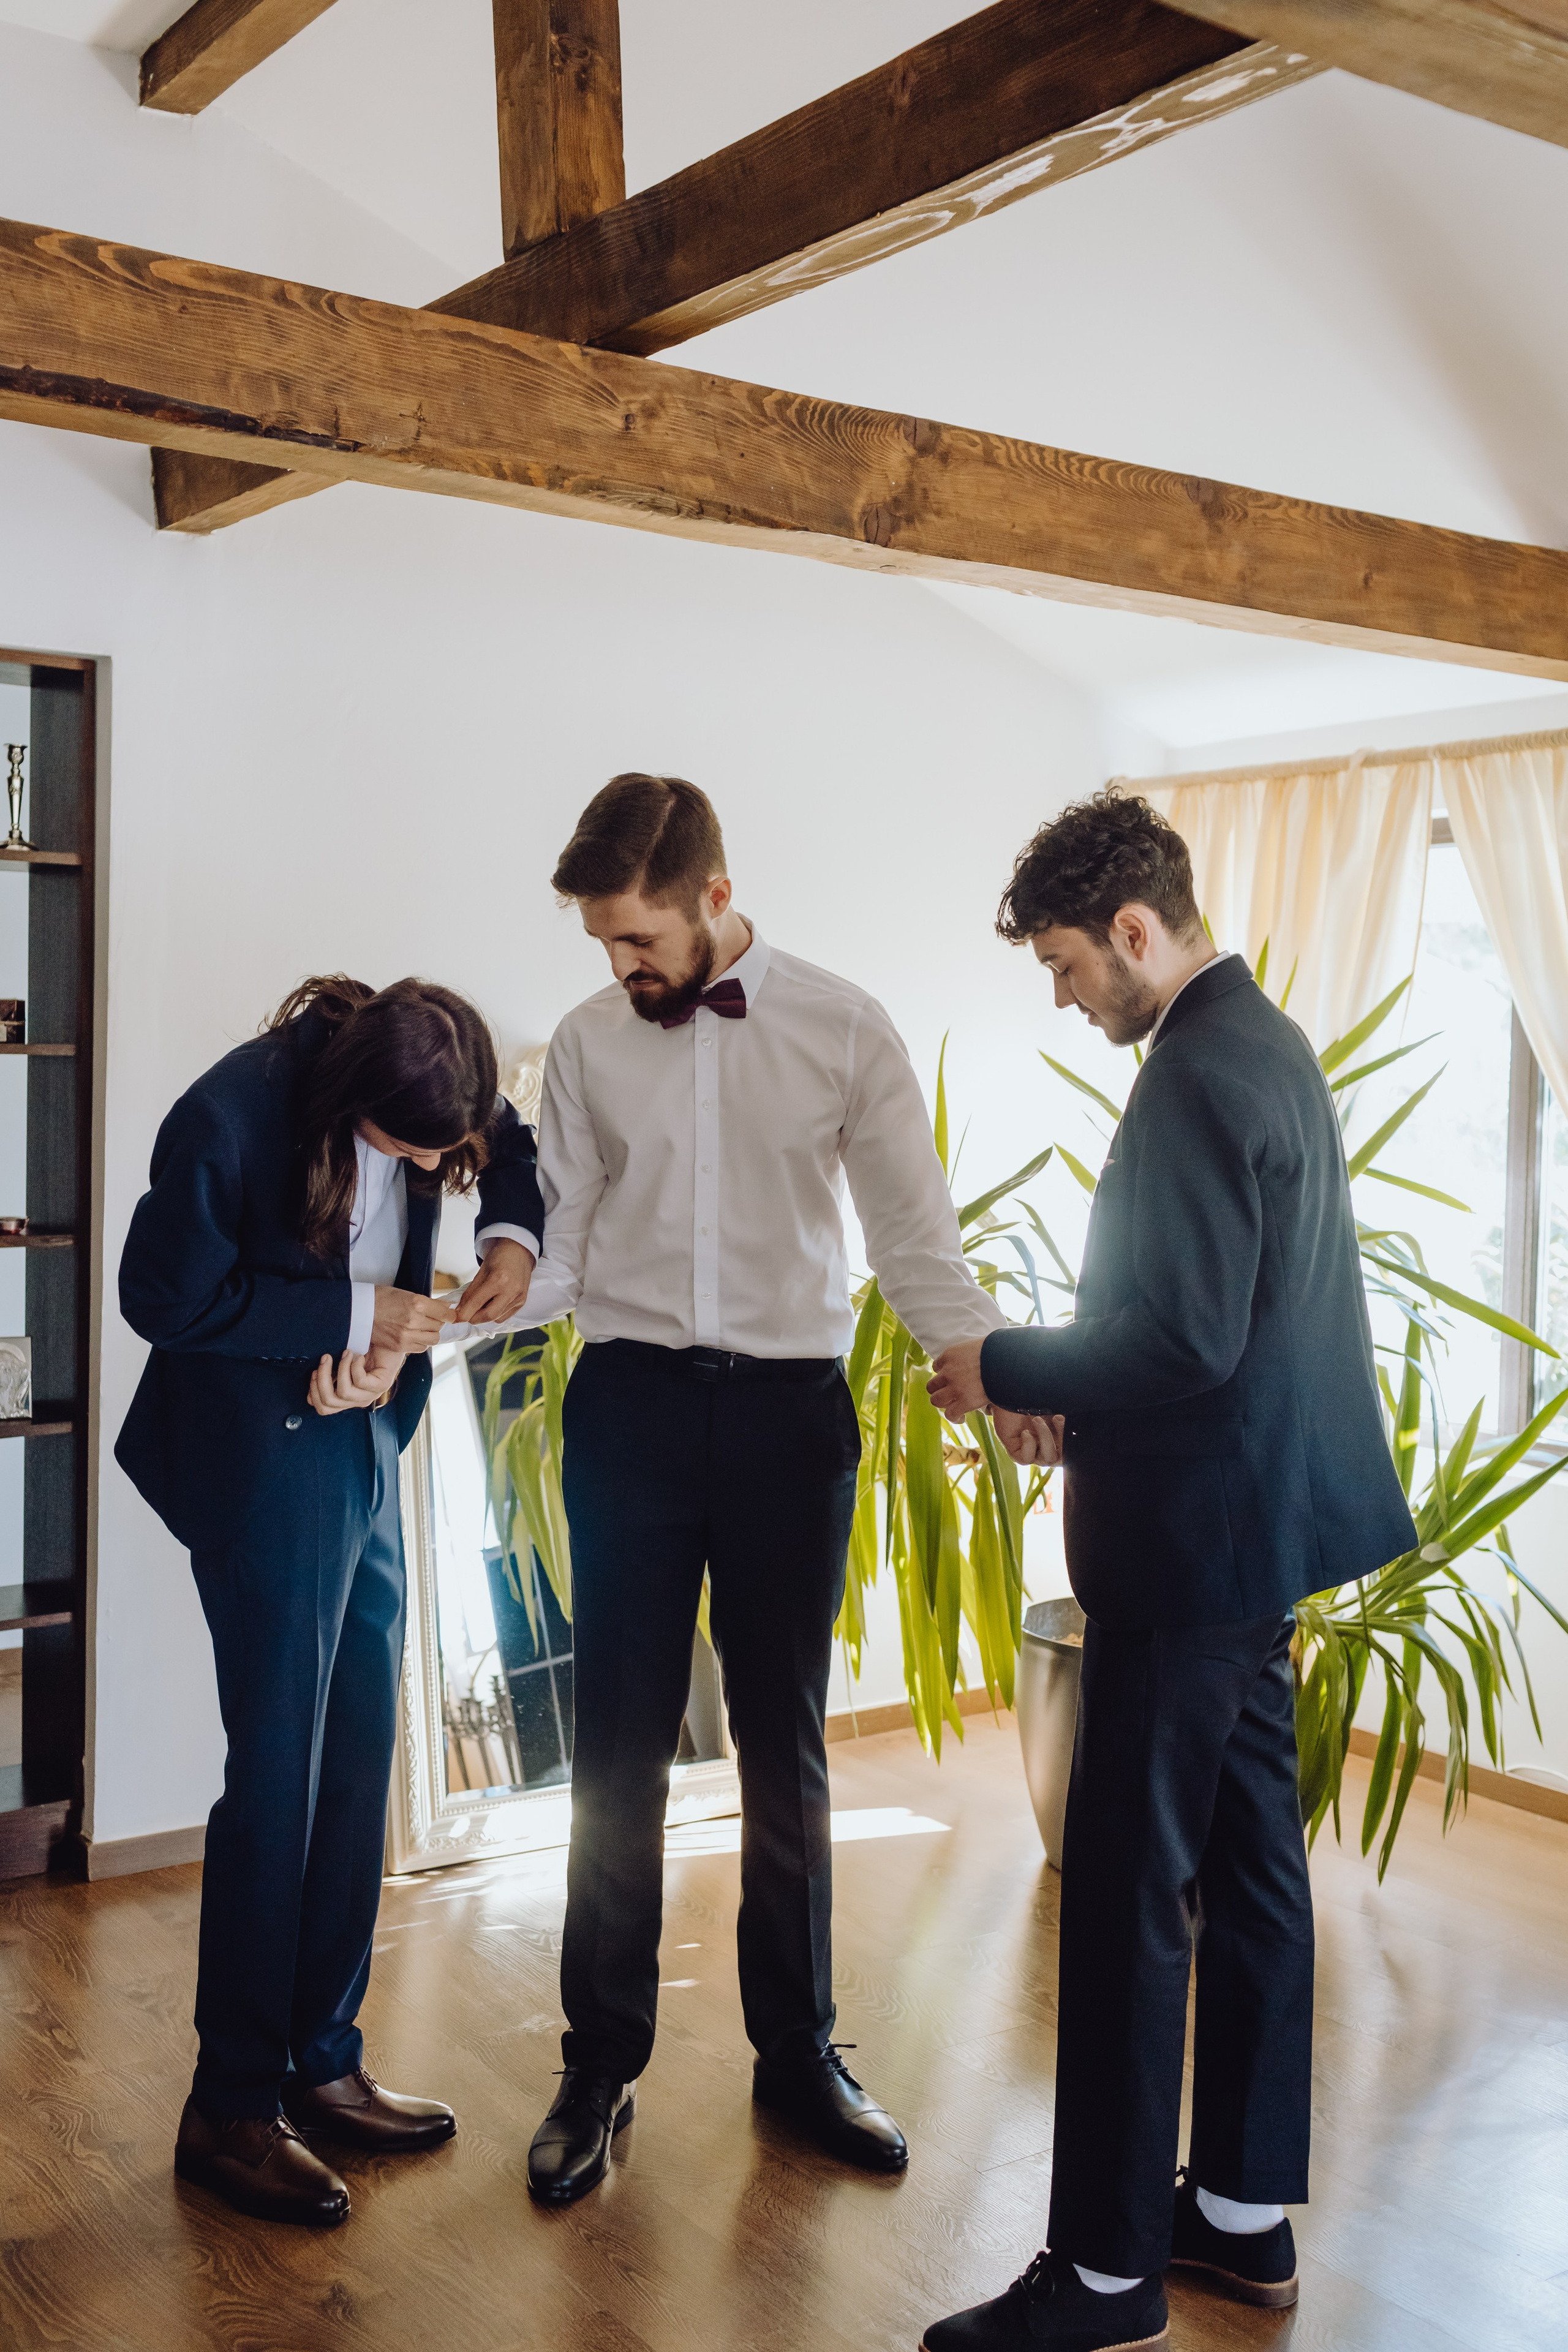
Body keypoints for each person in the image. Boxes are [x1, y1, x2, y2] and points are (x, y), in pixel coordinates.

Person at [453, 771, 1053, 2206]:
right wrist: (487, 1298)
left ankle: (799, 2053)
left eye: (637, 940)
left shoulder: (845, 1028)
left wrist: (982, 1360)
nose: (618, 969)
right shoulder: (594, 1046)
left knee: (785, 1750)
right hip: (632, 1413)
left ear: (714, 898)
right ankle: (597, 2064)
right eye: (603, 947)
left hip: (792, 1418)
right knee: (617, 1749)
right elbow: (575, 1237)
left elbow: (913, 1236)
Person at [922, 791, 1417, 2352]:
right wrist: (1086, 1399)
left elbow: (1187, 1333)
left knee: (1133, 1899)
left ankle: (1106, 2269)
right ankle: (1238, 2219)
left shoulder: (1198, 1072)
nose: (1066, 1001)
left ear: (1136, 930)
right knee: (1256, 1877)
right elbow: (1236, 1331)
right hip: (1249, 1533)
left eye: (1069, 968)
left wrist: (997, 1358)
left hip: (1186, 1553)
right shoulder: (1266, 1042)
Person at [116, 974, 541, 2227]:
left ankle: (323, 2060)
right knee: (281, 1774)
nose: (431, 1170)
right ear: (355, 1104)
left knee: (363, 1754)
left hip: (360, 1446)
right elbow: (165, 1299)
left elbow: (503, 1141)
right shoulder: (227, 1119)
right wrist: (361, 1310)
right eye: (412, 1155)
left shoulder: (439, 1074)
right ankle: (231, 2108)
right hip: (261, 1458)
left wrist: (508, 1236)